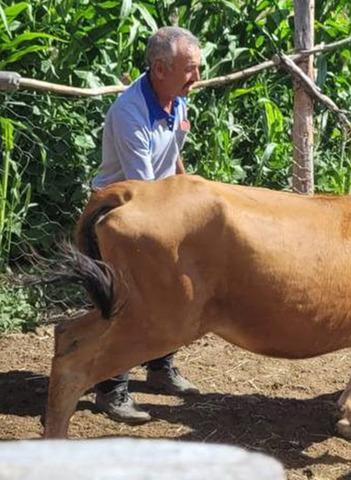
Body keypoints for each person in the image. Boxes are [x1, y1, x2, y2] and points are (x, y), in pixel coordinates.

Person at [90, 26, 202, 424]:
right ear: (159, 68)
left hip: (157, 205)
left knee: (171, 290)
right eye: (190, 69)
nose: (198, 78)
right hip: (120, 212)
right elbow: (142, 184)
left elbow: (172, 158)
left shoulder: (177, 101)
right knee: (126, 296)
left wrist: (192, 190)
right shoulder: (129, 112)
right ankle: (111, 388)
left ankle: (159, 367)